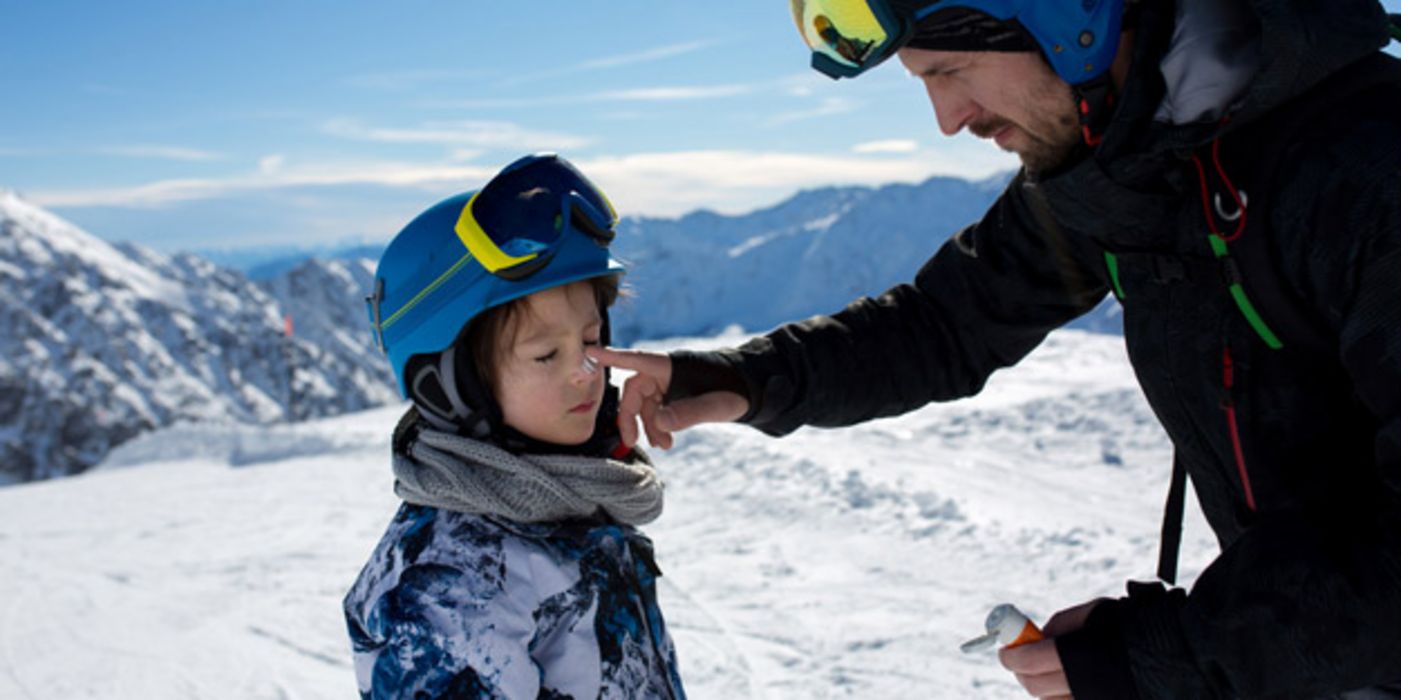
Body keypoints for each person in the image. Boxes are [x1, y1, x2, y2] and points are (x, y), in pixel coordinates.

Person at [589, 1, 1401, 698]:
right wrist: (740, 378)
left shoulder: (1366, 172)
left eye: (948, 71)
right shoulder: (1132, 164)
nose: (947, 119)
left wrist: (1176, 653)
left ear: (1066, 18)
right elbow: (945, 325)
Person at [343, 154, 686, 699]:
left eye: (592, 340)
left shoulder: (571, 505)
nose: (585, 371)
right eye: (546, 355)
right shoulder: (447, 585)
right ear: (449, 389)